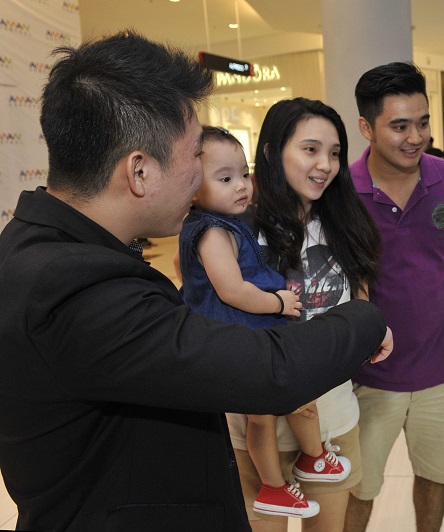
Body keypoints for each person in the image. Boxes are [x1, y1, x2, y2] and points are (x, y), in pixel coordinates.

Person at [0, 31, 392, 532]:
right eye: (194, 158)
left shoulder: (49, 245)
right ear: (139, 172)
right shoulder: (71, 286)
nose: (199, 178)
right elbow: (271, 372)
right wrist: (366, 318)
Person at [179, 125, 353, 521]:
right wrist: (277, 302)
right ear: (190, 186)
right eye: (225, 178)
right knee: (280, 406)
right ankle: (282, 481)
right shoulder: (211, 232)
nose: (241, 186)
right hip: (242, 335)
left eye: (244, 174)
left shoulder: (229, 221)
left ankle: (301, 466)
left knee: (279, 408)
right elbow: (232, 291)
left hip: (249, 335)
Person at [230, 97, 382, 532]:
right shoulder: (237, 229)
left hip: (331, 418)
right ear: (271, 152)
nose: (326, 164)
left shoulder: (344, 222)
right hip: (257, 424)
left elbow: (360, 305)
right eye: (310, 149)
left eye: (334, 153)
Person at [344, 61, 444, 532]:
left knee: (434, 475)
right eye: (399, 125)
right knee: (357, 487)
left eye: (422, 122)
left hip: (441, 364)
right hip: (367, 371)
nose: (415, 137)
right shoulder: (341, 192)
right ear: (367, 127)